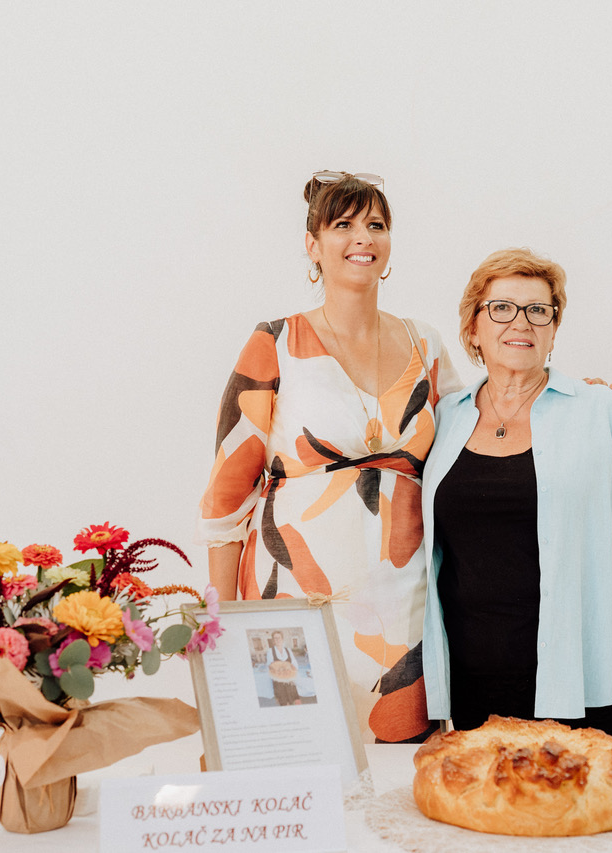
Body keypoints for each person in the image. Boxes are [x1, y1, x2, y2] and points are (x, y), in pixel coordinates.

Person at [198, 172, 462, 744]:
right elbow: (226, 496)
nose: (361, 237)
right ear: (314, 246)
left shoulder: (427, 345)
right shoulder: (274, 341)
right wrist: (221, 623)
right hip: (289, 595)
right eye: (342, 225)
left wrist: (562, 398)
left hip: (404, 607)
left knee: (399, 770)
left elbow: (480, 436)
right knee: (293, 757)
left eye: (375, 224)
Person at [421, 248, 612, 742]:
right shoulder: (443, 418)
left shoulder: (600, 411)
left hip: (595, 680)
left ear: (553, 330)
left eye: (538, 310)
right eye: (501, 307)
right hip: (476, 685)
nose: (521, 321)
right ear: (473, 327)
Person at [266, 630, 300, 706]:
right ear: (273, 640)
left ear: (282, 639)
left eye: (279, 638)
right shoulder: (270, 651)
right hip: (278, 681)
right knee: (283, 702)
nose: (277, 640)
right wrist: (283, 667)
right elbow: (270, 665)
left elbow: (294, 663)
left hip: (289, 680)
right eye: (275, 638)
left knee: (294, 700)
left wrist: (291, 669)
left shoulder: (288, 650)